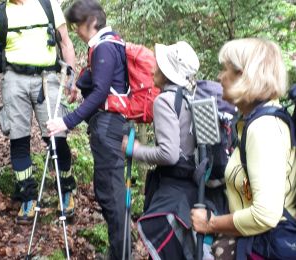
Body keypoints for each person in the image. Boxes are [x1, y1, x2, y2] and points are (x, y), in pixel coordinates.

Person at [0, 0, 77, 224]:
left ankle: (65, 190)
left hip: (48, 78)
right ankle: (27, 198)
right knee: (18, 139)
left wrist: (72, 77)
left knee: (56, 137)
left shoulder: (49, 5)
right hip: (13, 79)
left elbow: (65, 43)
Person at [191, 38, 296, 259]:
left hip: (265, 247)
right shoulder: (253, 121)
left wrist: (210, 224)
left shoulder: (264, 128)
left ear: (245, 76)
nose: (220, 77)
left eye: (226, 69)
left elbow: (266, 214)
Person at [46, 0, 128, 258]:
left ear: (92, 22)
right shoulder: (111, 42)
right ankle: (118, 253)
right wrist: (80, 83)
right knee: (109, 193)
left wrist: (66, 121)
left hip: (108, 128)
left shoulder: (104, 47)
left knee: (111, 197)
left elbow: (101, 93)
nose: (77, 32)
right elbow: (99, 83)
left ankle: (121, 255)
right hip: (111, 126)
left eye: (78, 26)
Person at [121, 41, 200, 259]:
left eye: (158, 65)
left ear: (166, 73)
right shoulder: (187, 97)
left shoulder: (164, 101)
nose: (154, 68)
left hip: (172, 185)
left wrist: (134, 150)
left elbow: (169, 154)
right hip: (189, 188)